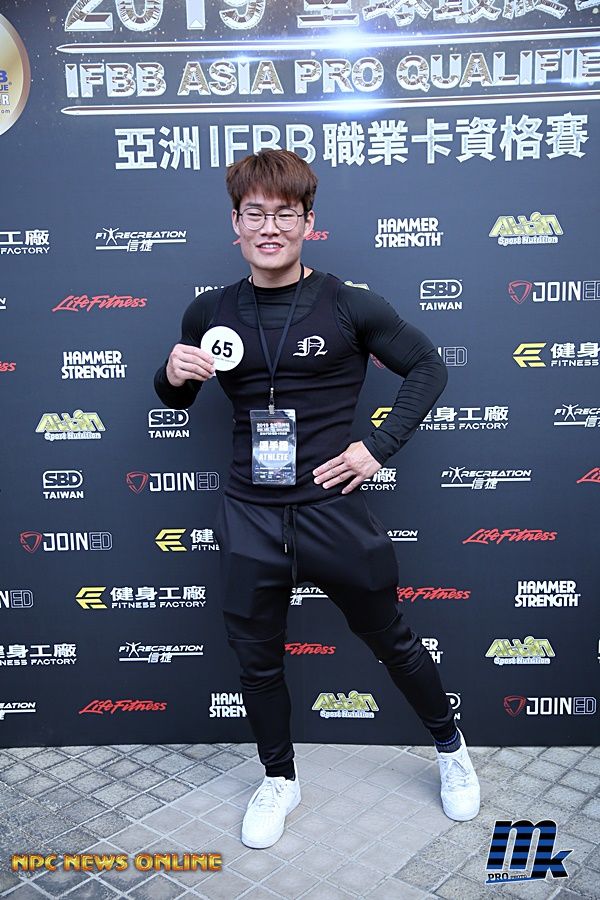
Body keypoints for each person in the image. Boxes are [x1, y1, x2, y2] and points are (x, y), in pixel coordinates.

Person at [154, 149, 480, 850]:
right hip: (249, 511)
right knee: (257, 658)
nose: (269, 228)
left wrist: (377, 446)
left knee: (390, 637)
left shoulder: (349, 303)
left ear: (308, 221)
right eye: (255, 214)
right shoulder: (210, 310)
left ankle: (451, 748)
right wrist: (172, 374)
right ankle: (279, 779)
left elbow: (427, 366)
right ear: (235, 222)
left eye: (285, 214)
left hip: (331, 508)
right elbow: (175, 398)